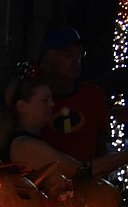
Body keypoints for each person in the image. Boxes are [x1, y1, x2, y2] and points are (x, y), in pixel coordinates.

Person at [4, 61, 128, 190]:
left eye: (51, 98)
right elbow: (78, 171)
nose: (52, 104)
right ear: (22, 106)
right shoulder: (24, 145)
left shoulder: (31, 140)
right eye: (44, 100)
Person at [38, 26, 111, 163]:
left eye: (79, 54)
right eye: (67, 54)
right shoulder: (35, 99)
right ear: (47, 59)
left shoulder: (93, 96)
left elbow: (101, 146)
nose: (76, 60)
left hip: (86, 179)